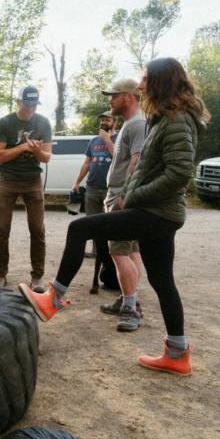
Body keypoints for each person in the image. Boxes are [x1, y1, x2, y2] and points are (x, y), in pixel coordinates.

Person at [19, 57, 208, 376]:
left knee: (80, 228)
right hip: (159, 212)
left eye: (145, 78)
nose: (141, 84)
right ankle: (177, 354)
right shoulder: (165, 118)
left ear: (161, 81)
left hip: (155, 212)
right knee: (163, 282)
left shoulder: (175, 121)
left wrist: (134, 197)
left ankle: (53, 298)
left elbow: (179, 173)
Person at [98, 78, 148, 331]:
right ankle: (130, 298)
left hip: (122, 196)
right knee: (131, 251)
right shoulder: (130, 124)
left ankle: (130, 308)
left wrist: (125, 195)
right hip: (121, 194)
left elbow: (137, 161)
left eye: (114, 96)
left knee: (118, 252)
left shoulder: (137, 123)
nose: (110, 100)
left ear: (129, 96)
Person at [0, 85, 52, 290]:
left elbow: (46, 158)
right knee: (2, 229)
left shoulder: (43, 123)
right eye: (27, 105)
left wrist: (36, 151)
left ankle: (37, 277)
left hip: (33, 180)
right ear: (18, 102)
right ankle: (0, 274)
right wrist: (23, 147)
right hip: (7, 179)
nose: (31, 109)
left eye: (35, 105)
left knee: (37, 229)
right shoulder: (4, 123)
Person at [71, 111, 116, 258]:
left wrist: (107, 140)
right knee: (92, 220)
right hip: (92, 187)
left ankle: (111, 251)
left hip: (110, 189)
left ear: (114, 123)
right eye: (102, 119)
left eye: (107, 120)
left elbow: (118, 158)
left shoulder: (120, 138)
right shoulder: (93, 141)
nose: (104, 122)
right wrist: (77, 182)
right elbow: (87, 163)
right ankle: (96, 250)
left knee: (111, 222)